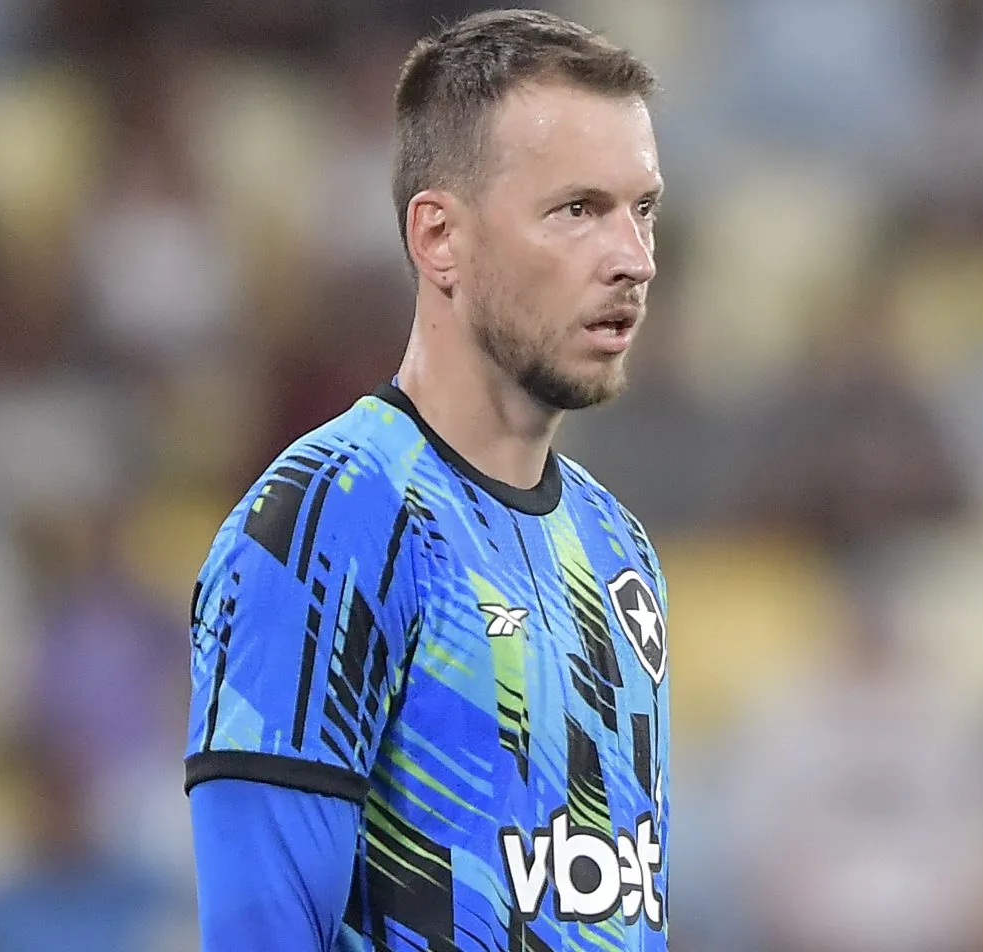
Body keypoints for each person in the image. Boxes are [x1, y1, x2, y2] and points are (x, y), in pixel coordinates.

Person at [184, 9, 670, 950]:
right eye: (577, 210)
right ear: (438, 238)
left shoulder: (619, 549)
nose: (632, 260)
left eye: (641, 209)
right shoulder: (329, 520)